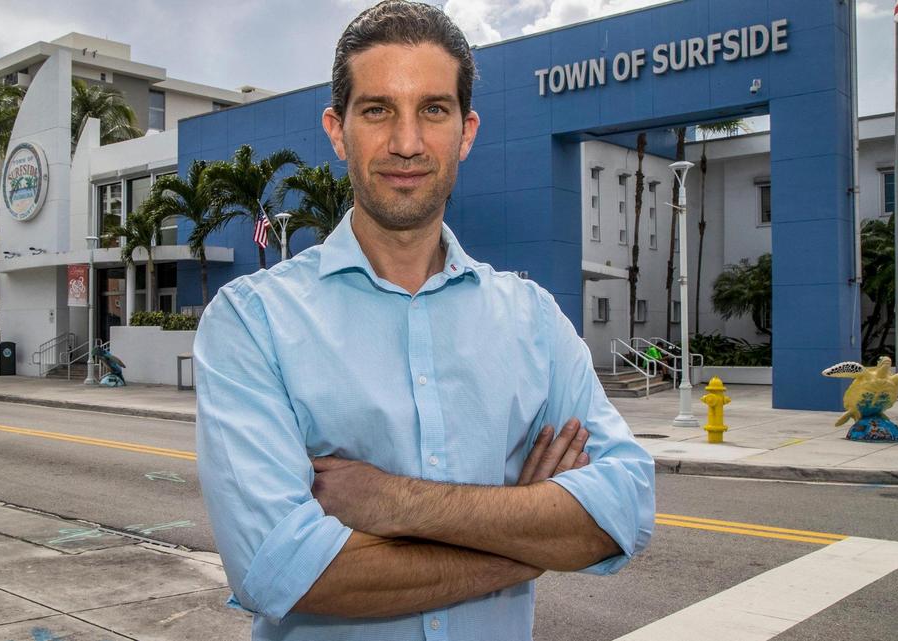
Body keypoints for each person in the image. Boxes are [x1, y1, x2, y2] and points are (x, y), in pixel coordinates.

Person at [193, 2, 655, 639]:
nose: (406, 143)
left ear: (466, 131)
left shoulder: (532, 320)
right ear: (338, 130)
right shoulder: (252, 323)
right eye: (378, 109)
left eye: (433, 110)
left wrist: (393, 502)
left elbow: (623, 511)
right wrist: (534, 533)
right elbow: (282, 572)